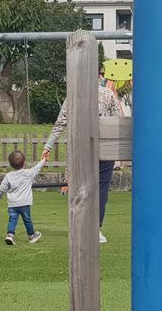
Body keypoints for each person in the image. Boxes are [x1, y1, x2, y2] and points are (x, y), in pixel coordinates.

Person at [45, 65, 123, 244]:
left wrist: (48, 145)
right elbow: (117, 121)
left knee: (81, 188)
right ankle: (94, 228)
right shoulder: (107, 94)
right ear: (98, 76)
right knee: (100, 190)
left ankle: (82, 227)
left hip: (81, 148)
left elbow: (60, 123)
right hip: (102, 147)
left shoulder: (74, 95)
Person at [0, 149, 46, 246]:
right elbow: (37, 168)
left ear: (11, 164)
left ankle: (10, 235)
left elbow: (2, 188)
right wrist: (44, 159)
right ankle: (31, 235)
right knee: (27, 219)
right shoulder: (28, 173)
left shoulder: (8, 176)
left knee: (12, 219)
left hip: (12, 204)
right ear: (24, 162)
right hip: (24, 203)